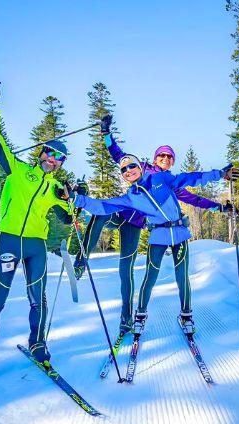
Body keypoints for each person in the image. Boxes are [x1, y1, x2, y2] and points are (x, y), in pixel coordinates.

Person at [72, 114, 224, 335]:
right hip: (123, 211)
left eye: (169, 157)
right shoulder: (140, 168)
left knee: (126, 270)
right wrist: (106, 134)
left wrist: (218, 207)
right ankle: (81, 260)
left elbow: (194, 199)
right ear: (154, 158)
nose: (165, 158)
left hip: (136, 225)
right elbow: (118, 155)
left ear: (172, 162)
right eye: (161, 155)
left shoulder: (169, 182)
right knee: (100, 214)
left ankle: (127, 319)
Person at [0, 82, 76, 380]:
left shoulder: (56, 188)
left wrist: (72, 198)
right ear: (42, 152)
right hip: (8, 240)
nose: (54, 160)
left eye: (60, 158)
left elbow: (68, 219)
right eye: (51, 153)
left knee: (38, 298)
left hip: (36, 246)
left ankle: (37, 341)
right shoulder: (17, 169)